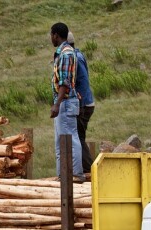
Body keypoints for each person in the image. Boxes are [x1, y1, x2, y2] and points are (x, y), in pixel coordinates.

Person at [50, 22, 83, 180]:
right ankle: (62, 174)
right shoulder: (62, 52)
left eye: (52, 35)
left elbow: (65, 82)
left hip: (66, 102)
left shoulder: (66, 54)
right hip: (62, 101)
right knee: (60, 140)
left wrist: (57, 104)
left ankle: (75, 173)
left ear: (56, 35)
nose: (51, 38)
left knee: (69, 138)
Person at [68, 31, 95, 174]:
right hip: (86, 103)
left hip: (83, 104)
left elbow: (82, 83)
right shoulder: (78, 55)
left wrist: (79, 103)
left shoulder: (74, 58)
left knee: (78, 137)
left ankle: (89, 169)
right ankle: (86, 168)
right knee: (79, 137)